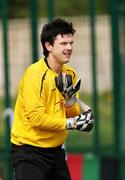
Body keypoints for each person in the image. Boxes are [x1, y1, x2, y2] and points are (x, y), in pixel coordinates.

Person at [11, 18, 94, 180]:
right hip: (29, 152)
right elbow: (36, 119)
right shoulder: (34, 75)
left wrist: (70, 104)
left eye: (71, 43)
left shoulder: (70, 74)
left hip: (56, 151)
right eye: (63, 44)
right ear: (48, 46)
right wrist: (72, 123)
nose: (69, 48)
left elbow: (72, 113)